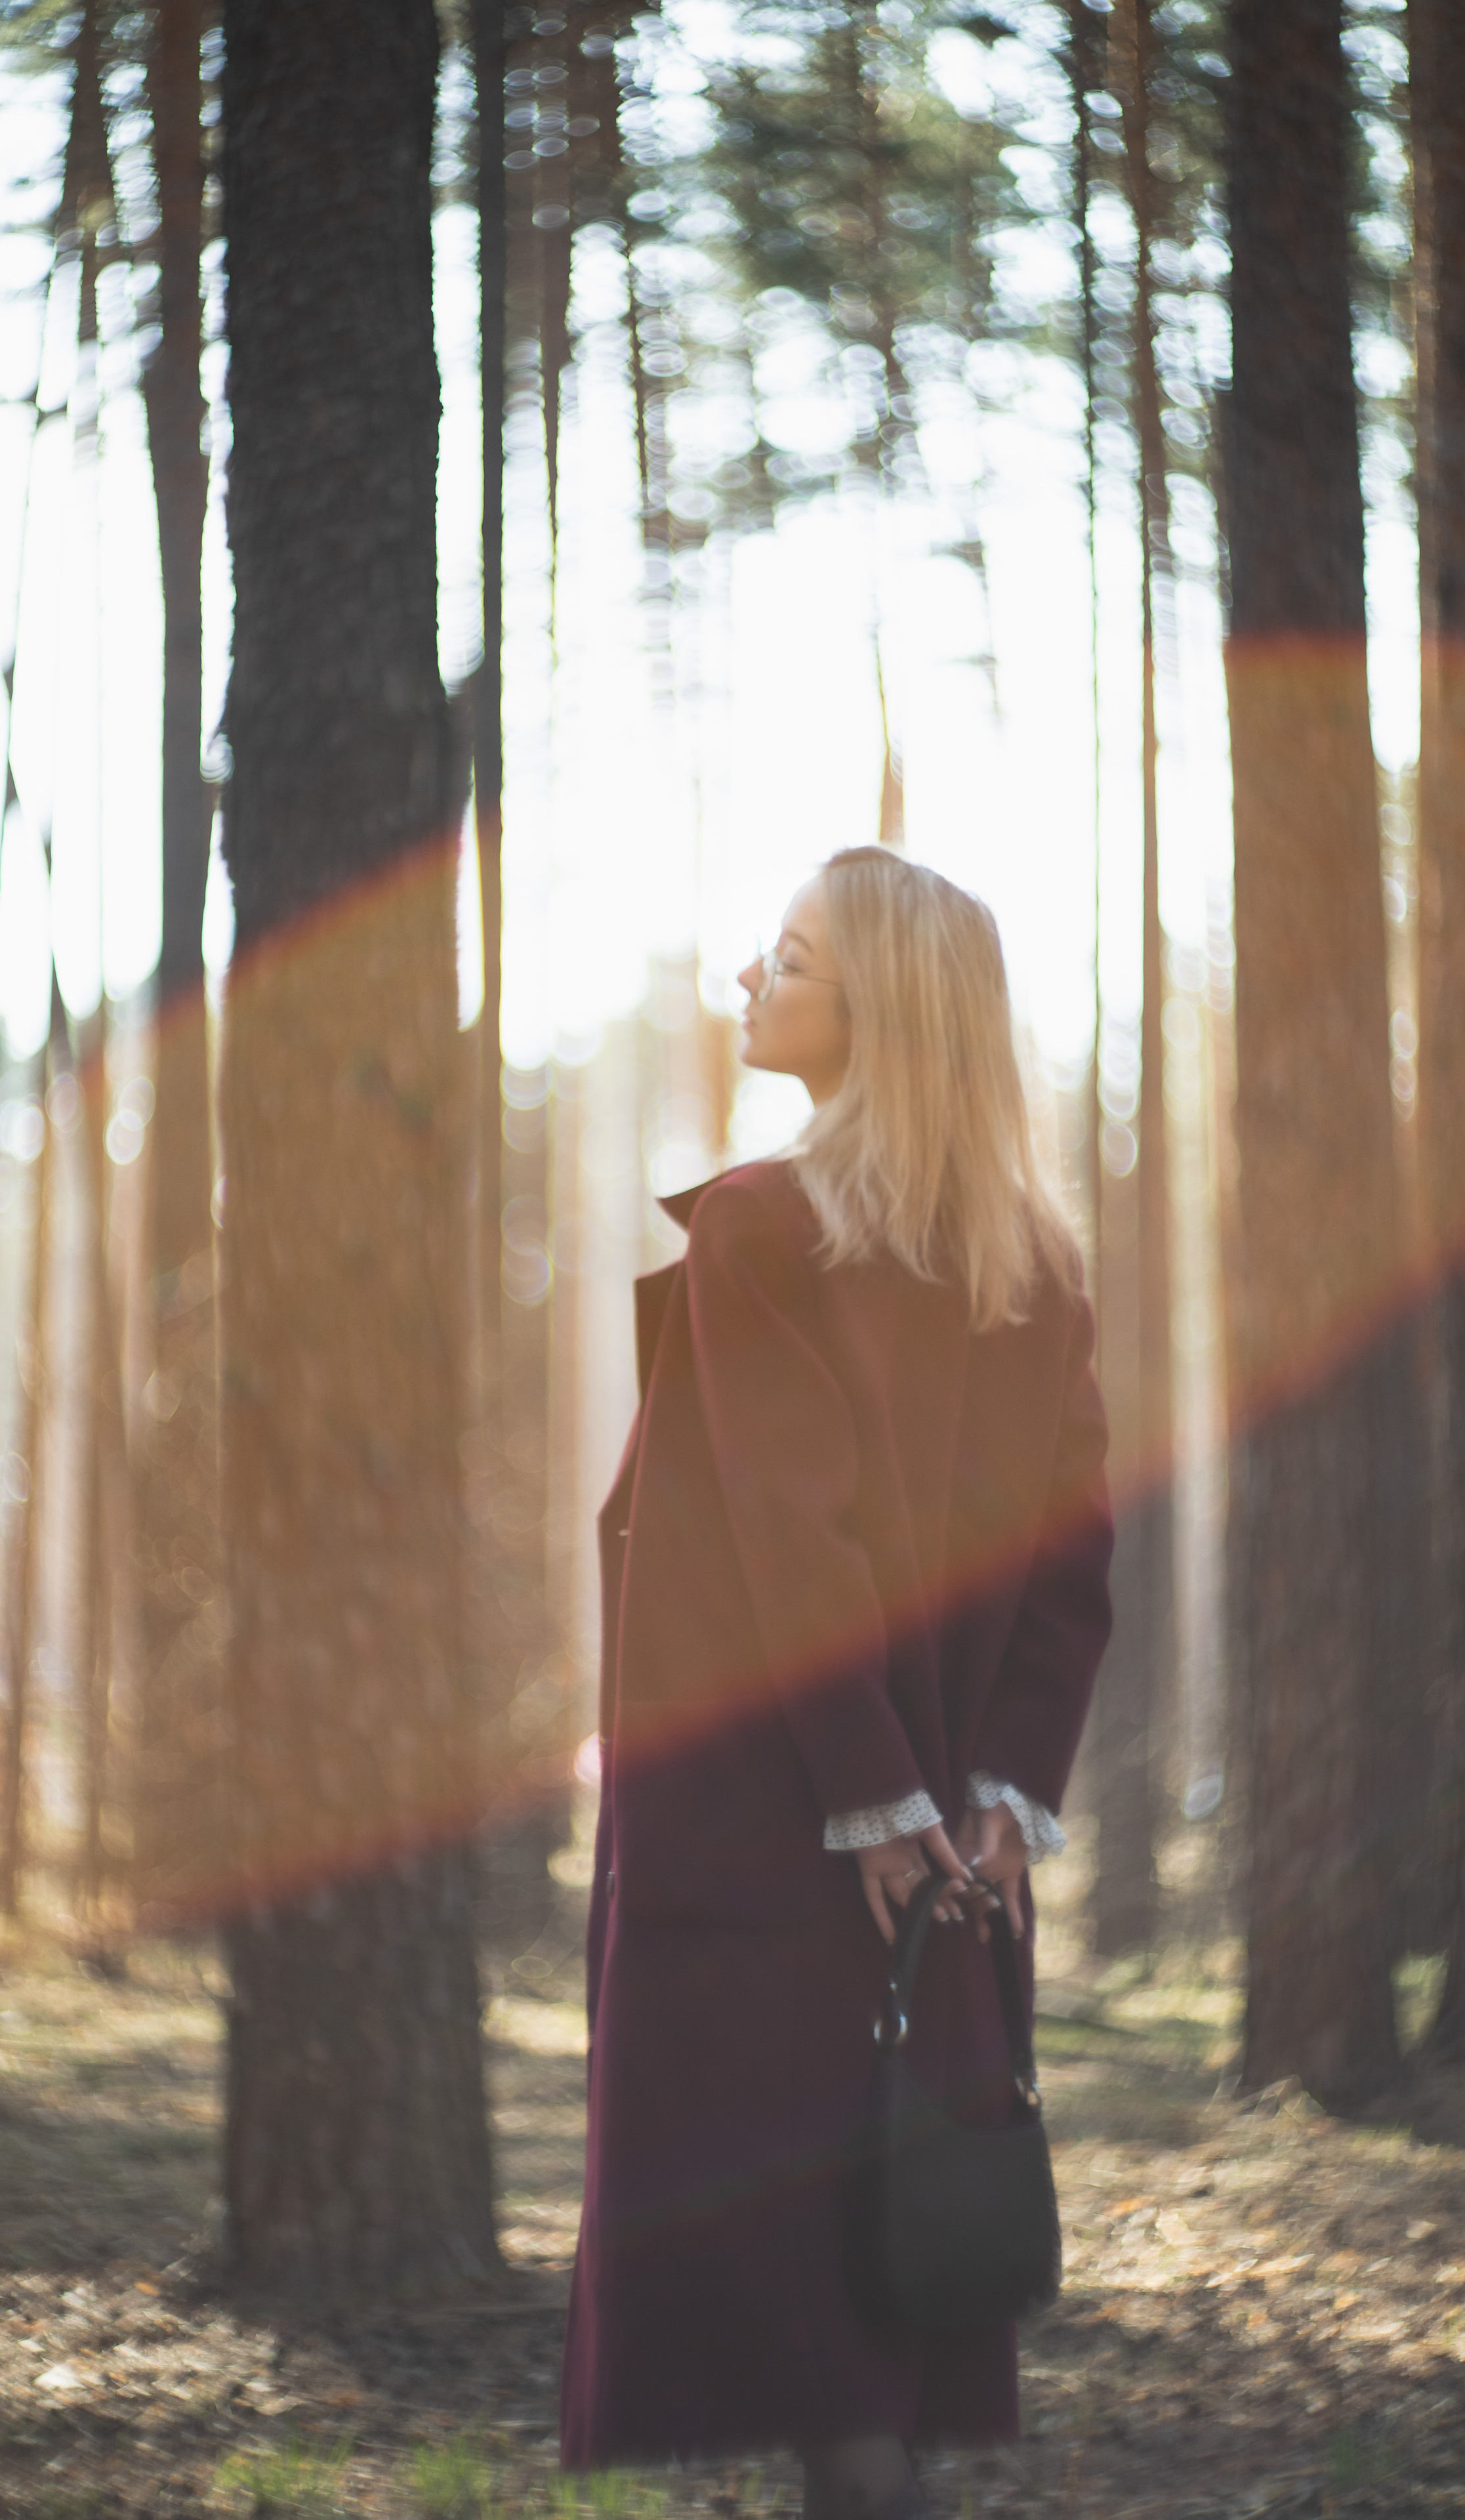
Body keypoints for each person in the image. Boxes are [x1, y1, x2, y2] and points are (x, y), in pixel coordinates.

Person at [558, 849, 1114, 2519]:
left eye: (785, 958)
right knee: (866, 2311)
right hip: (934, 1848)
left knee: (818, 2333)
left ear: (872, 1015)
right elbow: (1070, 1572)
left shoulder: (761, 1229)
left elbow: (787, 1541)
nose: (748, 976)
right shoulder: (1031, 1266)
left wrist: (879, 1811)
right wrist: (996, 1803)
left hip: (775, 1836)